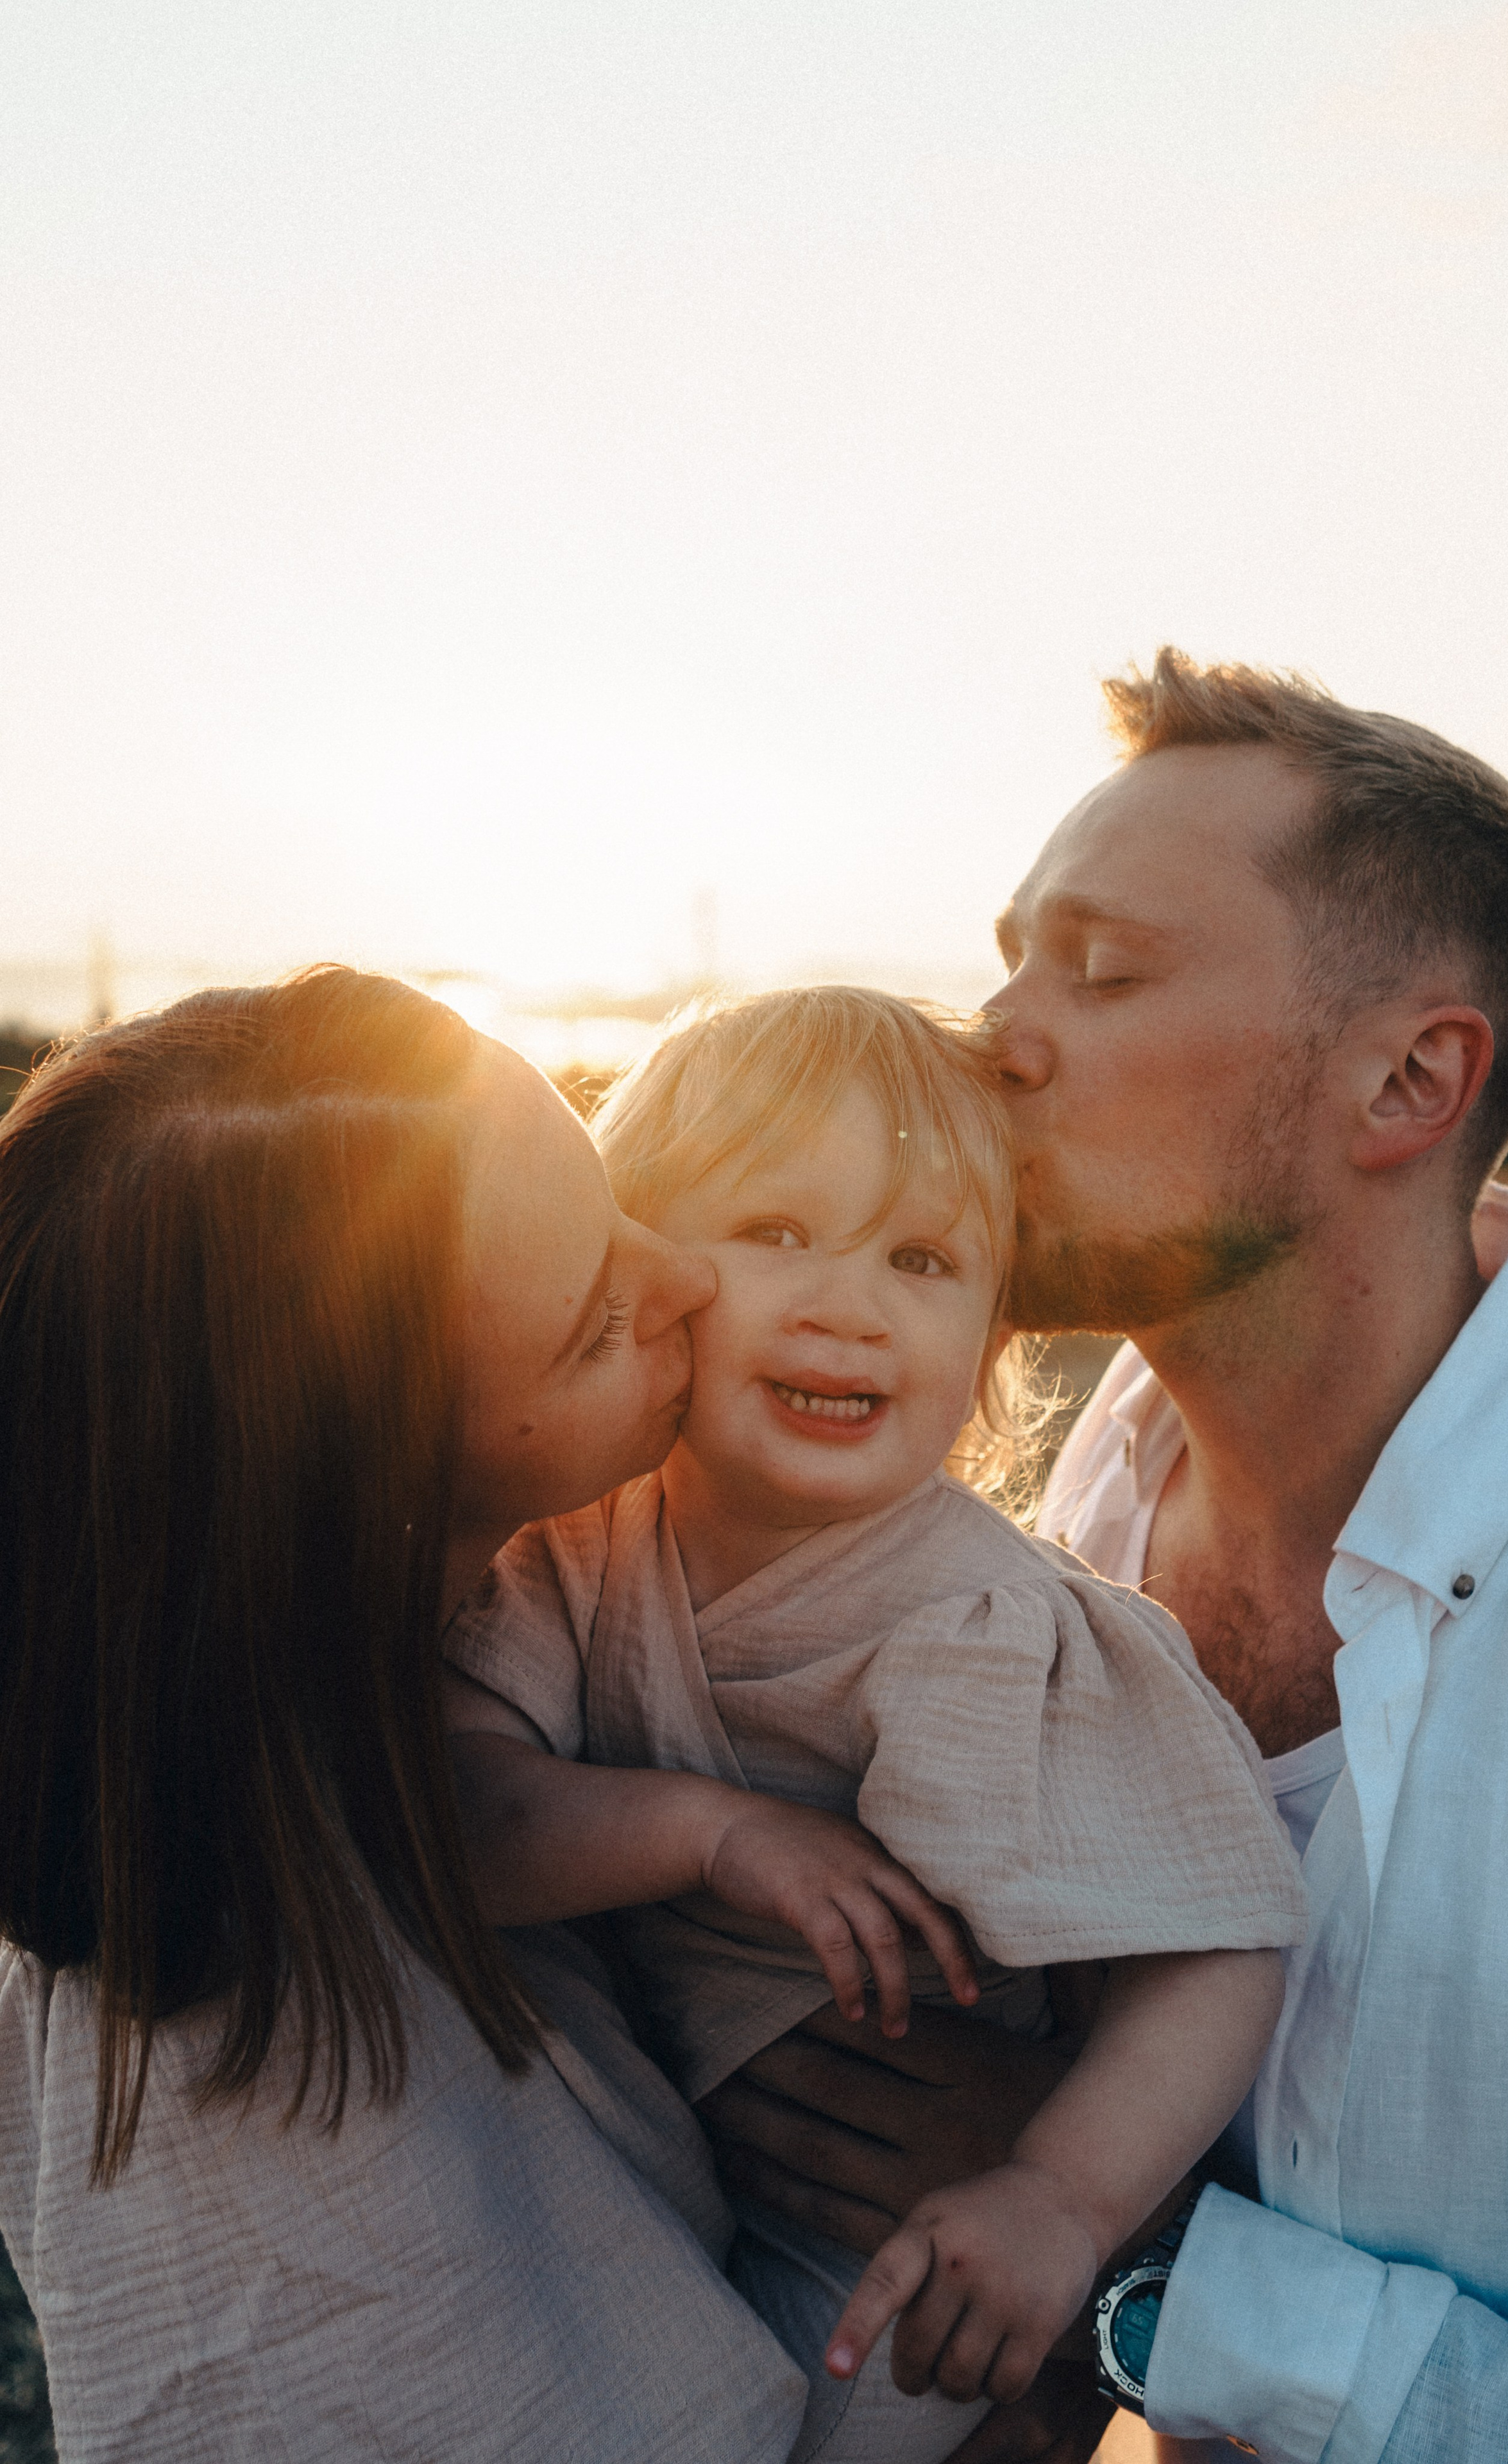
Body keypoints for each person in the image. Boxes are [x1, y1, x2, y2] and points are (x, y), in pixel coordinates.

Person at [705, 650, 1508, 2463]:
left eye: (1104, 970)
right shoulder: (1057, 1532)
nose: (993, 1033)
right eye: (1010, 955)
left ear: (1407, 1079)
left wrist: (1143, 2277)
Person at [1, 962, 865, 2463]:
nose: (691, 1280)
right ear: (357, 1500)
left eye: (611, 1201)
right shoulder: (271, 2151)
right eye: (597, 1325)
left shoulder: (443, 1666)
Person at [442, 985, 1304, 2462]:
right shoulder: (577, 1545)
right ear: (639, 1273)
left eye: (920, 1258)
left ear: (984, 1348)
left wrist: (1061, 2196)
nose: (849, 1302)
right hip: (639, 2153)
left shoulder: (981, 1622)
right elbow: (459, 1814)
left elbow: (1216, 1941)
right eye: (776, 1232)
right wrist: (706, 1832)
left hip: (893, 2228)